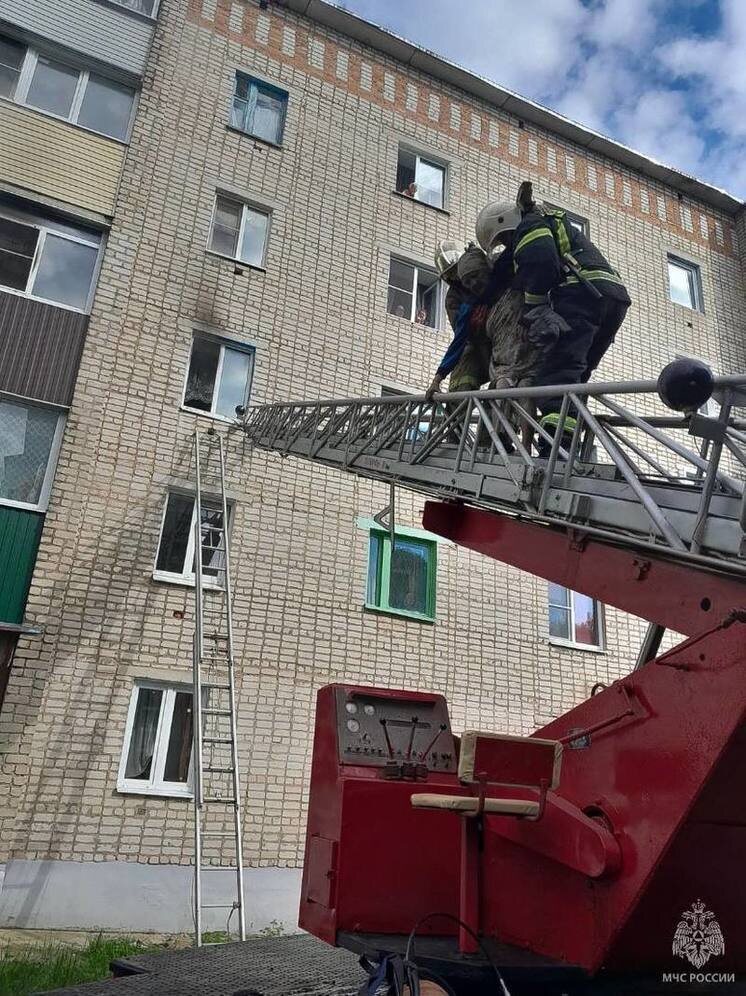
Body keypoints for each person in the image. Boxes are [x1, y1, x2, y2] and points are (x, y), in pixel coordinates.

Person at [475, 182, 631, 440]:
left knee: (556, 369)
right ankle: (570, 436)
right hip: (612, 300)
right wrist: (484, 298)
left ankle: (555, 442)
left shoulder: (530, 226)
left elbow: (540, 262)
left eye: (502, 238)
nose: (505, 245)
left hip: (581, 295)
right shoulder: (547, 223)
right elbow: (507, 268)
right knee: (576, 374)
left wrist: (536, 307)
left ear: (508, 223)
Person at [426, 241, 511, 399]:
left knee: (506, 384)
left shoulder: (499, 269)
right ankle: (457, 419)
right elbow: (461, 337)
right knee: (462, 374)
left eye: (457, 270)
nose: (457, 277)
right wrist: (437, 379)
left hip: (510, 339)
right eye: (451, 275)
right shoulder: (457, 301)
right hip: (479, 346)